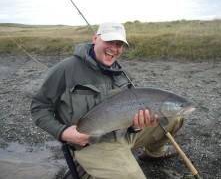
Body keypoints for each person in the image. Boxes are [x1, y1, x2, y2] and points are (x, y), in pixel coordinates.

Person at [31, 22, 184, 179]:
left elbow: (130, 116)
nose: (114, 48)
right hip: (92, 144)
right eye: (109, 41)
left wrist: (136, 127)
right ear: (95, 39)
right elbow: (39, 107)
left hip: (123, 135)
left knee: (175, 118)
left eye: (119, 44)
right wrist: (62, 132)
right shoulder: (65, 69)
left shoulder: (123, 75)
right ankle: (93, 170)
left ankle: (153, 154)